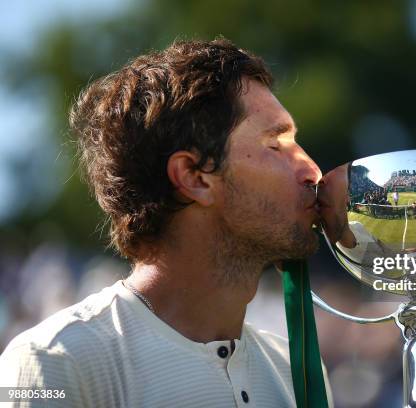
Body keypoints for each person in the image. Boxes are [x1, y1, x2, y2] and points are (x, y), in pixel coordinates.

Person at [0, 39, 332, 407]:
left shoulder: (296, 369)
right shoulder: (48, 361)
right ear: (194, 176)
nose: (312, 170)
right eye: (276, 145)